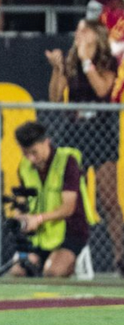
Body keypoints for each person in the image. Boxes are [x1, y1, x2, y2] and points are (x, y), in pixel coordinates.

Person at [45, 21, 124, 273]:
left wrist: (87, 61)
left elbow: (102, 89)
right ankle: (64, 254)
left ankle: (120, 255)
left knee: (108, 200)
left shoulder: (106, 61)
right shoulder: (72, 61)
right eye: (77, 29)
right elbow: (55, 98)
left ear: (96, 35)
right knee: (69, 197)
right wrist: (58, 69)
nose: (78, 34)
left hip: (101, 133)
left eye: (84, 30)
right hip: (75, 133)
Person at [10, 121, 97, 278]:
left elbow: (68, 207)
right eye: (25, 154)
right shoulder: (24, 167)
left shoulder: (67, 162)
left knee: (53, 272)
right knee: (18, 272)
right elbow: (21, 201)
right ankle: (43, 263)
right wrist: (21, 217)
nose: (30, 159)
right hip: (40, 238)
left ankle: (69, 262)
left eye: (34, 152)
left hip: (70, 233)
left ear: (46, 142)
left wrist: (38, 219)